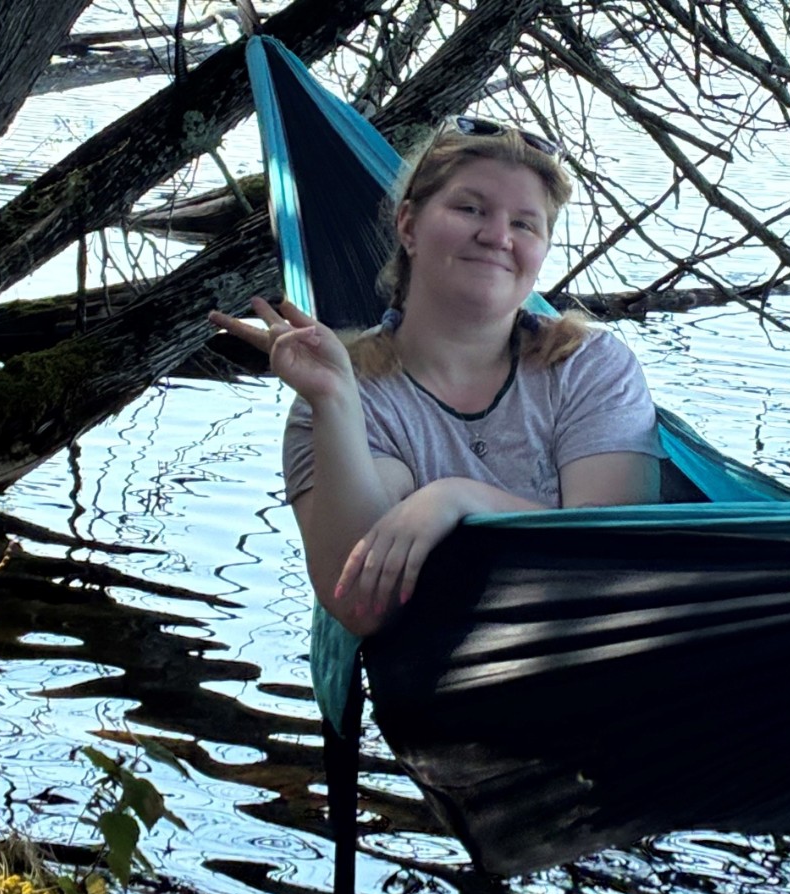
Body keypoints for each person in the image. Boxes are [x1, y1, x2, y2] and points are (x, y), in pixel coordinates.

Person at [210, 117, 663, 636]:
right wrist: (335, 400)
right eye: (470, 208)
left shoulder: (588, 366)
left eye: (524, 224)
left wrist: (457, 500)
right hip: (440, 670)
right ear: (408, 225)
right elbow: (360, 605)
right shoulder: (355, 393)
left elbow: (615, 559)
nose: (496, 236)